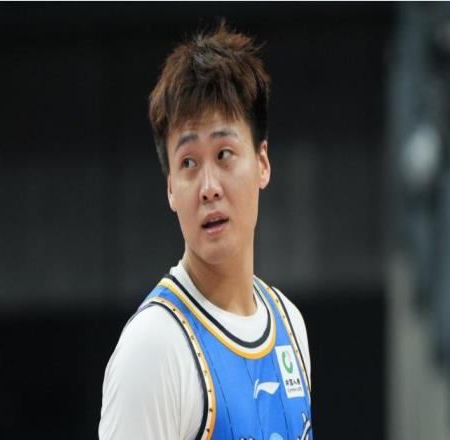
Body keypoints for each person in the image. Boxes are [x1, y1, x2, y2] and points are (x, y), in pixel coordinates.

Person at [99, 22, 313, 440]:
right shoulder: (153, 348)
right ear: (170, 189)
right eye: (188, 163)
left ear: (262, 163)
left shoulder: (291, 326)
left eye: (224, 154)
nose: (209, 187)